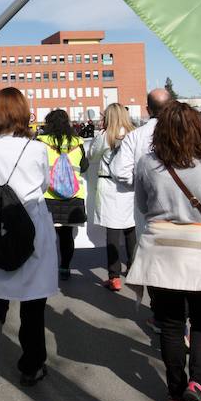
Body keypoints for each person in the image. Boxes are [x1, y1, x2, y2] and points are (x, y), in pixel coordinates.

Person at [127, 102, 201, 401]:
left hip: (159, 248)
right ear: (196, 128)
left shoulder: (148, 163)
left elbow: (143, 206)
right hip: (198, 248)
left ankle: (175, 393)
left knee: (171, 324)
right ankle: (199, 383)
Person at [0, 87, 58, 401]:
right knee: (33, 304)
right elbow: (43, 186)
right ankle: (32, 366)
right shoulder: (36, 150)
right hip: (30, 230)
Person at [87, 102, 137, 291]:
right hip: (129, 186)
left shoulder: (104, 136)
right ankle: (132, 267)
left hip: (109, 185)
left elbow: (92, 156)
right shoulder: (134, 135)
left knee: (113, 232)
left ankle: (114, 276)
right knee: (130, 229)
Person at [37, 110, 88, 281]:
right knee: (67, 235)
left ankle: (47, 268)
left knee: (47, 236)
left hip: (47, 195)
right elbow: (85, 166)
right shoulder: (78, 142)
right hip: (73, 195)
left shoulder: (40, 142)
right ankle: (65, 267)